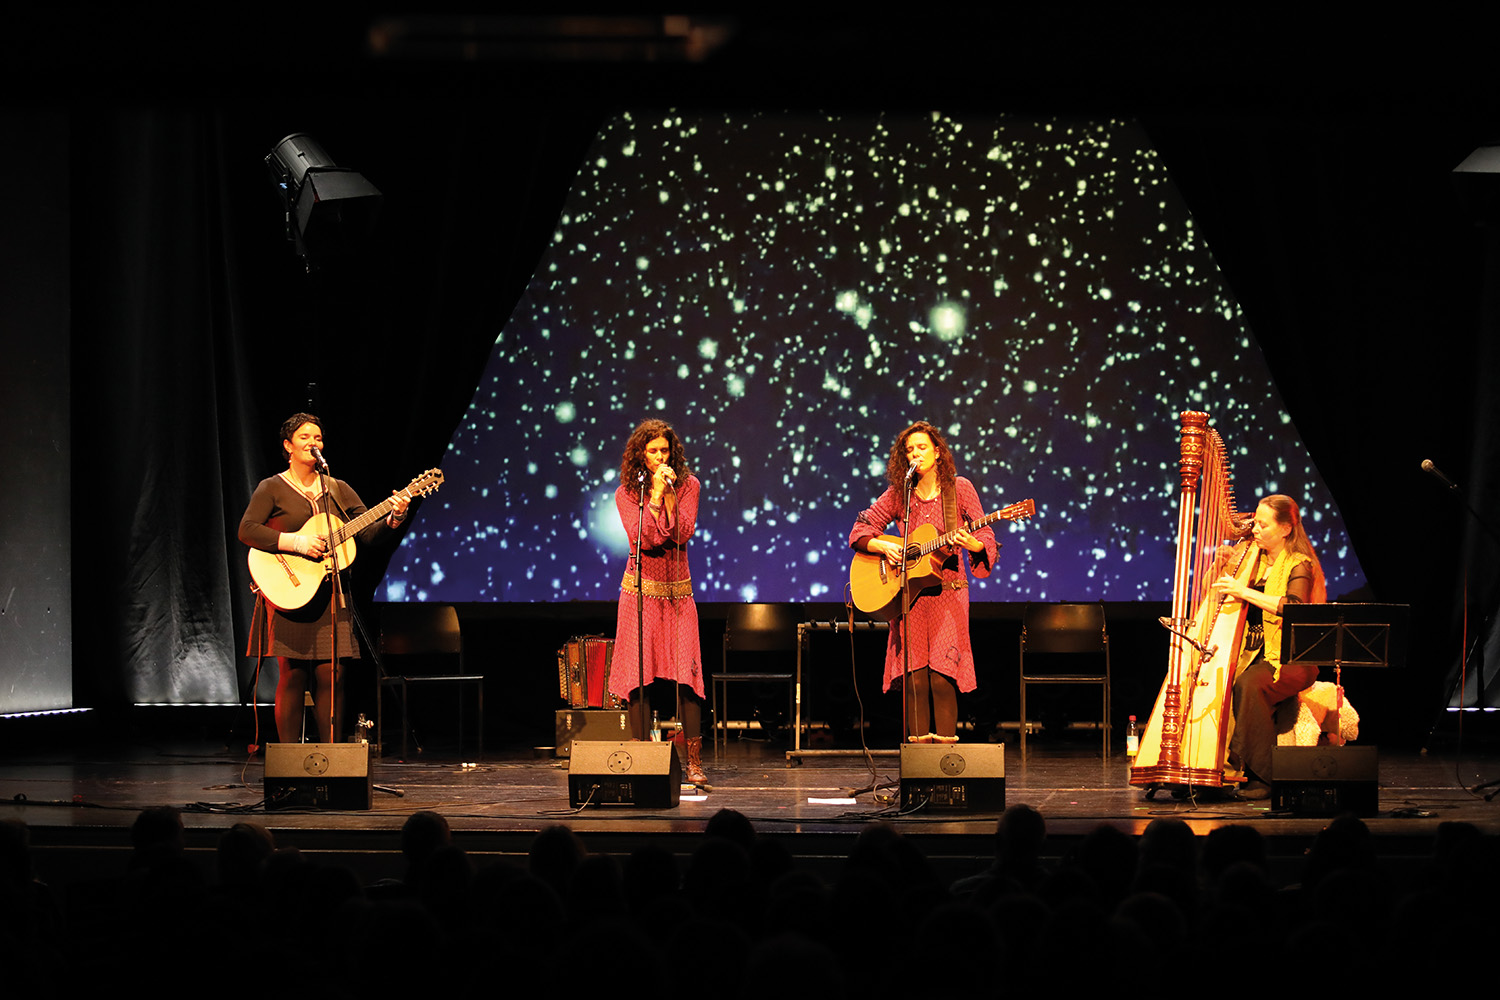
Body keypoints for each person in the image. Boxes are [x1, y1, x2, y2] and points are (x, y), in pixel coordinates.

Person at [239, 413, 408, 743]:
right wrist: (297, 542)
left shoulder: (337, 489)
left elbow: (368, 533)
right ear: (288, 446)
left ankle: (329, 759)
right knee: (293, 675)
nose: (313, 443)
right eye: (304, 437)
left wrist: (395, 516)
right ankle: (287, 762)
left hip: (332, 595)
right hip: (291, 590)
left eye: (317, 437)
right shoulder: (271, 487)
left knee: (333, 675)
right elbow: (247, 530)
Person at [849, 421, 997, 742]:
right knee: (914, 681)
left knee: (941, 678)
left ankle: (943, 762)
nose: (915, 453)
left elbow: (984, 532)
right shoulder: (900, 493)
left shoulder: (959, 489)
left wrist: (976, 544)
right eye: (909, 449)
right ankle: (918, 765)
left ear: (938, 453)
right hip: (910, 596)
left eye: (922, 447)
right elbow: (861, 529)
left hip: (948, 593)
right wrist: (883, 544)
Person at [608, 418, 706, 784]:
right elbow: (644, 540)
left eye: (665, 450)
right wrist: (651, 497)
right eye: (652, 451)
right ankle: (641, 760)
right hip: (640, 594)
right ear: (641, 455)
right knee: (639, 679)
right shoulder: (626, 494)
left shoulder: (689, 486)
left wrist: (668, 495)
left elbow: (681, 534)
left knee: (688, 676)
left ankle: (694, 764)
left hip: (679, 595)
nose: (660, 457)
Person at [1211, 494, 1327, 798]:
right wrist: (1219, 566)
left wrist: (1243, 591)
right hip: (1253, 653)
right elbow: (1215, 595)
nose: (1255, 530)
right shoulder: (1251, 559)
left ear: (1286, 529)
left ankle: (1261, 776)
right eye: (1255, 524)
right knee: (1212, 681)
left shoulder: (1299, 564)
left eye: (1263, 525)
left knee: (1249, 685)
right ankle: (1210, 771)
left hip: (1291, 659)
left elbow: (1293, 606)